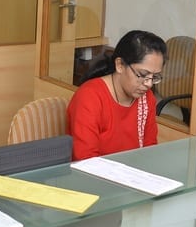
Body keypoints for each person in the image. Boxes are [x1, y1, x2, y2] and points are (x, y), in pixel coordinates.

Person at [67, 30, 166, 161]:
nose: (149, 84)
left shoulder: (146, 99)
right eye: (142, 75)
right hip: (94, 172)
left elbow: (149, 150)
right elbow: (86, 159)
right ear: (120, 65)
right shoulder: (89, 97)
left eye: (154, 77)